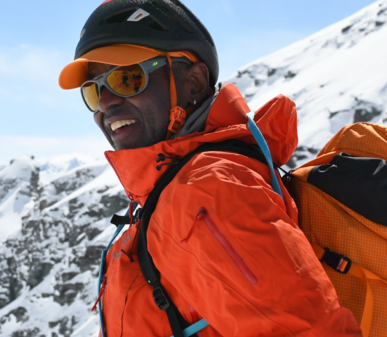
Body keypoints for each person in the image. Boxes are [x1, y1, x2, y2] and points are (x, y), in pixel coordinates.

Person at [58, 0, 362, 336]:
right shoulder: (167, 189)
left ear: (194, 83)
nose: (105, 103)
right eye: (94, 90)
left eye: (127, 79)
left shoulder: (207, 191)